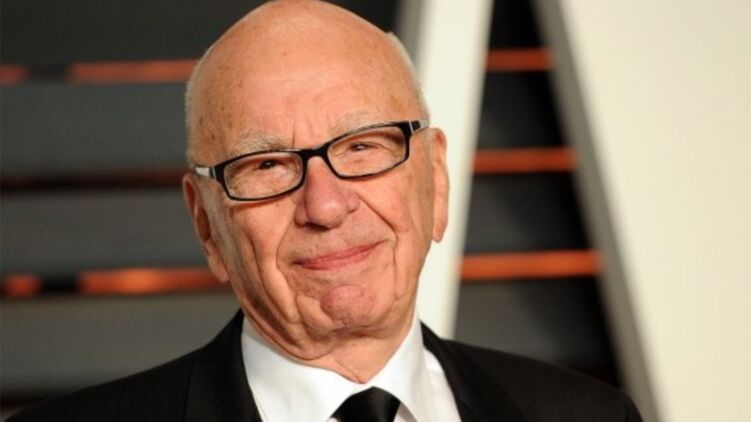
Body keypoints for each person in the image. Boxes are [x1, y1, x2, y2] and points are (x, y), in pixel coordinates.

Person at [10, 1, 642, 421]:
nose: (326, 205)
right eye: (267, 165)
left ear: (436, 178)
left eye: (363, 147)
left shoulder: (591, 416)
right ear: (206, 224)